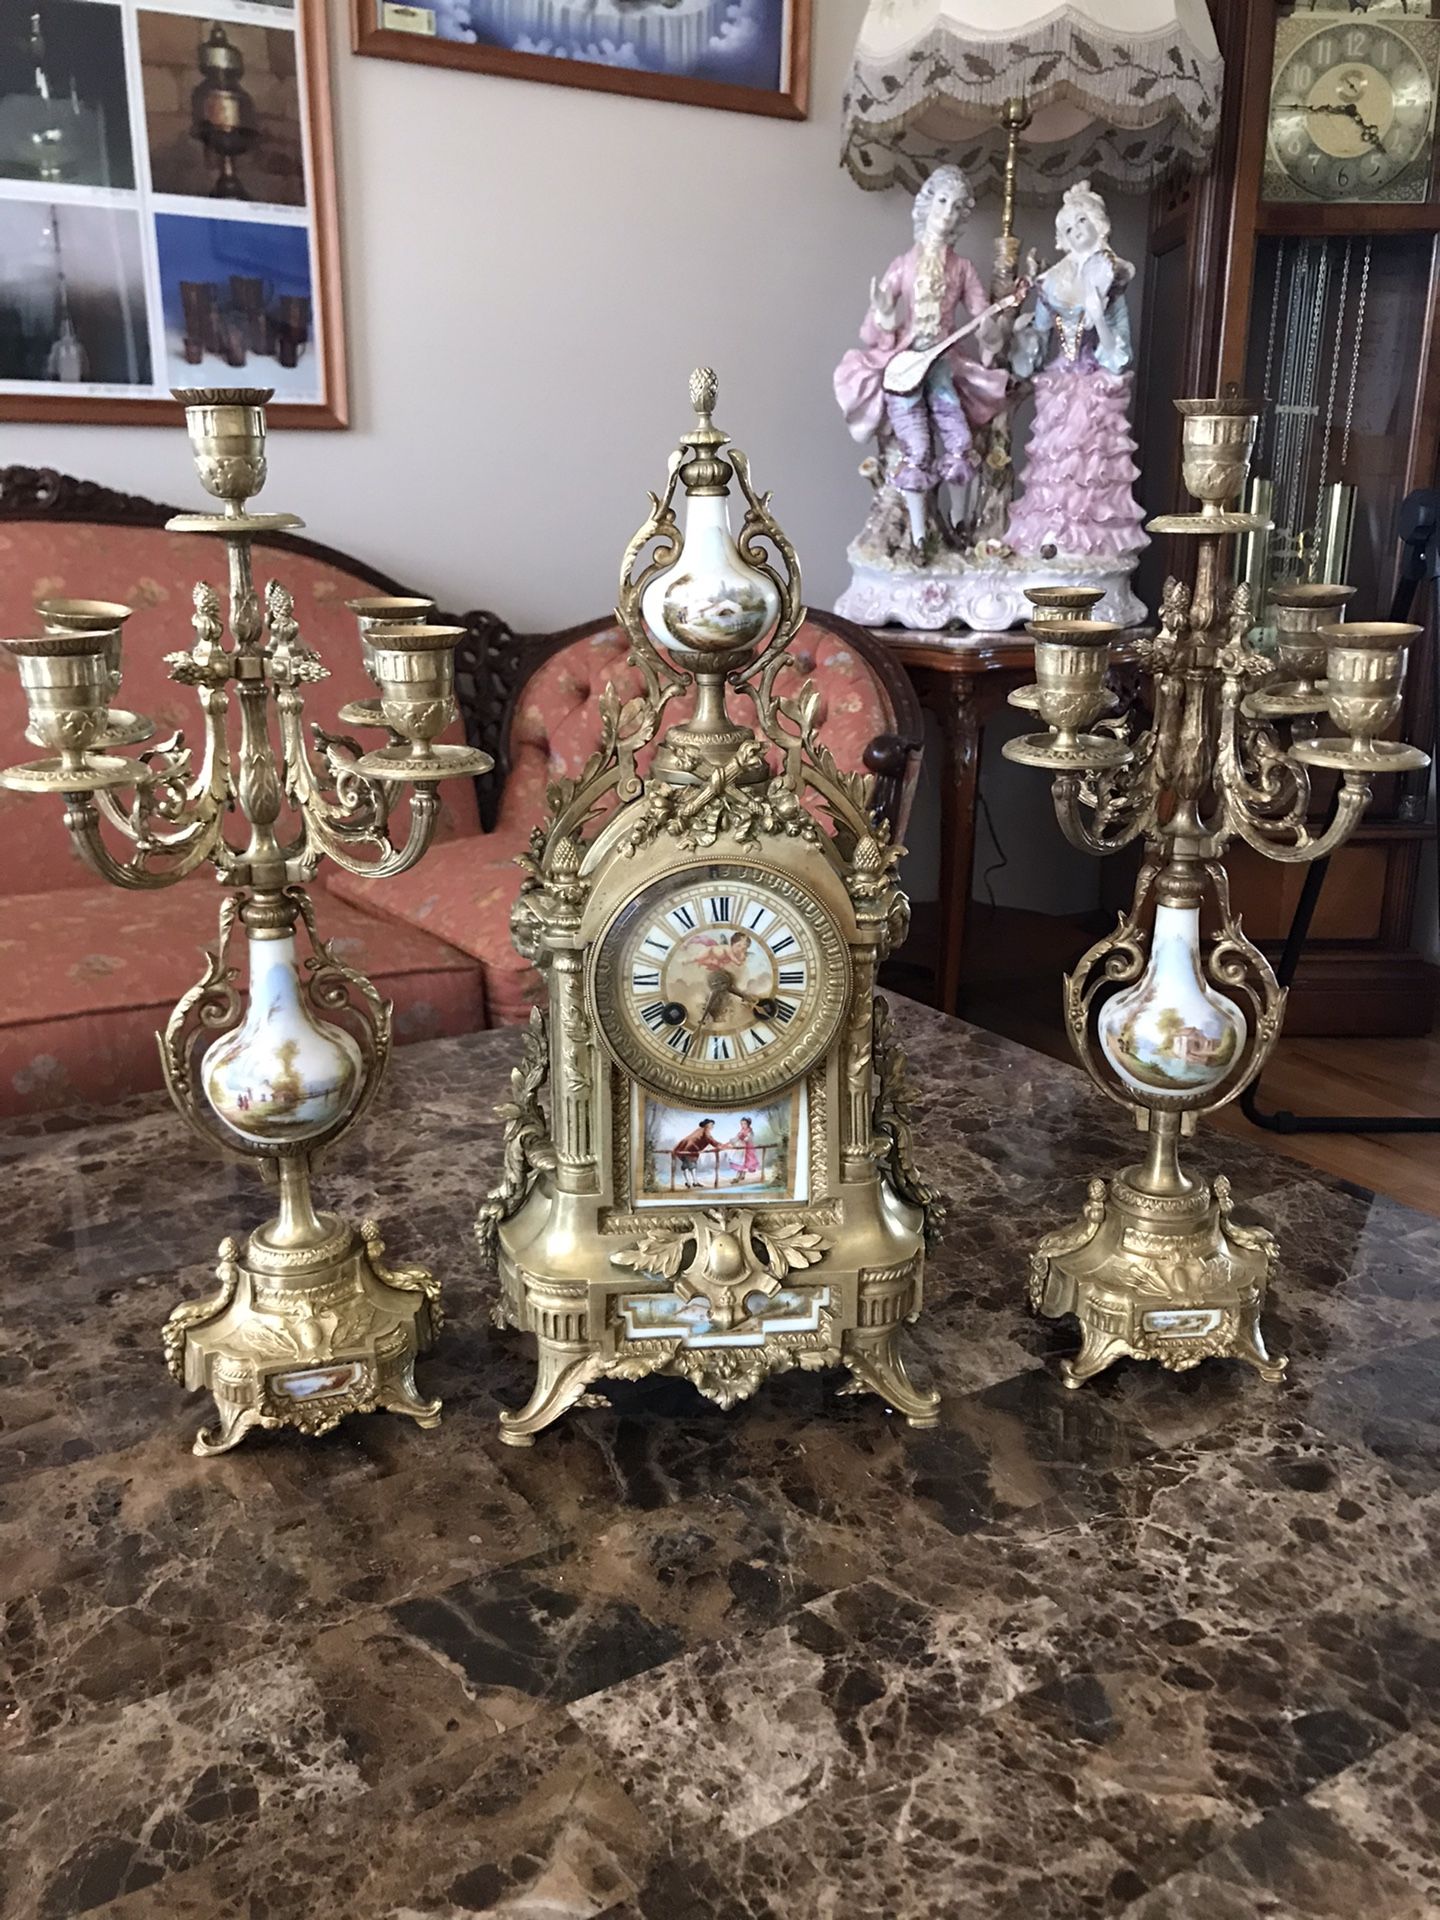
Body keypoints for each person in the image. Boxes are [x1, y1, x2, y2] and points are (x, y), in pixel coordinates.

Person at [835, 165, 1012, 550]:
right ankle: (918, 539)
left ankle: (959, 524)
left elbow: (983, 316)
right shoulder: (903, 265)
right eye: (941, 202)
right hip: (906, 369)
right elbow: (875, 326)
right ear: (927, 206)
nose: (946, 212)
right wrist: (885, 312)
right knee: (916, 448)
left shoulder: (962, 269)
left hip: (943, 369)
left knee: (961, 441)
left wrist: (991, 328)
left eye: (955, 206)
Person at [1006, 180, 1148, 562]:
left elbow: (1118, 354)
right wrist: (1020, 331)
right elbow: (1038, 332)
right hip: (1060, 381)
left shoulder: (1110, 281)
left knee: (1090, 461)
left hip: (1095, 382)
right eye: (1068, 227)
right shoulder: (1053, 281)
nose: (1076, 230)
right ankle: (1054, 536)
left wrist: (1099, 318)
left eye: (1082, 220)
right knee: (1054, 462)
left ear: (1098, 225)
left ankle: (1087, 545)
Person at [672, 1118, 718, 1189]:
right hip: (690, 1148)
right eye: (711, 1125)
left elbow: (703, 1140)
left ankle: (691, 1182)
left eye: (713, 1125)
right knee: (689, 1166)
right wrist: (720, 1145)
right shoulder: (705, 1130)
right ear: (707, 1125)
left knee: (688, 1166)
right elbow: (710, 1139)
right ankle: (692, 1183)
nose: (712, 1127)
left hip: (685, 1147)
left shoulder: (700, 1130)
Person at [729, 1117, 761, 1184]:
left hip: (747, 1149)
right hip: (741, 1148)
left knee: (744, 1162)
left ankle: (739, 1177)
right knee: (740, 1162)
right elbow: (736, 1138)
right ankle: (740, 1176)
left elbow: (749, 1138)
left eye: (744, 1124)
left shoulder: (750, 1131)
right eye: (741, 1124)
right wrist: (732, 1141)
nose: (743, 1125)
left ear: (748, 1124)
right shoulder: (741, 1131)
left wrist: (744, 1138)